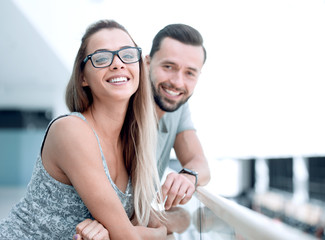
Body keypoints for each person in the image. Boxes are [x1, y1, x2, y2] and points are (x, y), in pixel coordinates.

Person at [0, 19, 166, 239]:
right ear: (83, 77)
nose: (117, 64)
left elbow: (141, 224)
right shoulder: (71, 130)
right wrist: (159, 233)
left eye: (127, 54)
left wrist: (117, 231)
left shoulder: (134, 142)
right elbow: (130, 236)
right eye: (102, 58)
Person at [76, 23, 211, 239]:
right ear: (146, 63)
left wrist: (188, 176)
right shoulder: (119, 109)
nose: (177, 82)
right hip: (90, 228)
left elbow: (200, 163)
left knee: (184, 218)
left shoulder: (177, 107)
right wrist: (156, 227)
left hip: (116, 230)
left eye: (190, 73)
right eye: (168, 66)